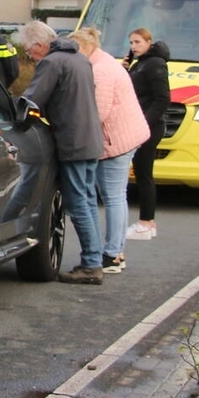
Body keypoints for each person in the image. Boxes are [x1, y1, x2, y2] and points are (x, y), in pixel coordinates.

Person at [19, 20, 104, 284]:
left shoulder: (52, 63)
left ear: (39, 45)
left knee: (78, 203)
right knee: (88, 201)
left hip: (72, 141)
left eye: (29, 51)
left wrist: (14, 114)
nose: (30, 57)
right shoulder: (79, 58)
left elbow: (32, 100)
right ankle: (95, 258)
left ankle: (91, 265)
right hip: (90, 139)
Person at [69, 27, 149, 275]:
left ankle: (113, 254)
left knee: (113, 197)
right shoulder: (104, 61)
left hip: (117, 139)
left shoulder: (100, 71)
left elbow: (99, 113)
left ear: (85, 48)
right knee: (116, 196)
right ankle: (116, 250)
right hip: (125, 135)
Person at [124, 28, 170, 241]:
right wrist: (125, 69)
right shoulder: (140, 63)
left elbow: (162, 99)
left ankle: (146, 221)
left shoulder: (154, 64)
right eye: (131, 42)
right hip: (143, 124)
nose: (134, 46)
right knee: (143, 173)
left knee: (144, 175)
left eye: (138, 42)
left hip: (149, 126)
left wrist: (143, 122)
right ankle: (148, 222)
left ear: (149, 42)